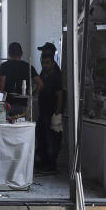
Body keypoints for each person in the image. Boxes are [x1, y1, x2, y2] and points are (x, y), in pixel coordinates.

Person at [34, 43, 64, 174]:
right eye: (42, 61)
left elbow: (60, 95)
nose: (43, 63)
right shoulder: (44, 71)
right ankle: (43, 160)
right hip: (43, 109)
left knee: (52, 138)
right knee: (41, 135)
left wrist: (57, 114)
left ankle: (51, 164)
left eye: (46, 61)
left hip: (52, 110)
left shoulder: (56, 74)